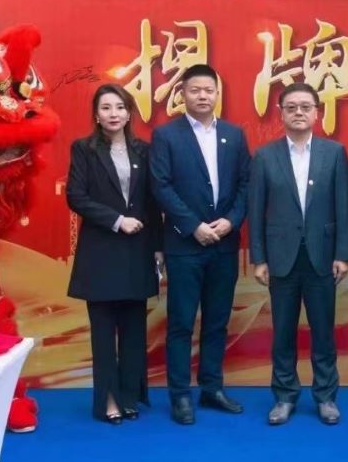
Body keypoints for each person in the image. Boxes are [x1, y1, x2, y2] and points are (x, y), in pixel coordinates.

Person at [150, 64, 251, 425]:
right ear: (183, 94)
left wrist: (231, 221)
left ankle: (212, 387)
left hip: (224, 244)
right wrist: (193, 226)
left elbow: (246, 184)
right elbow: (160, 186)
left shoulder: (234, 135)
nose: (203, 96)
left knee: (217, 321)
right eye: (195, 90)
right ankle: (180, 395)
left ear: (217, 94)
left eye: (209, 90)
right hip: (185, 245)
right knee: (180, 322)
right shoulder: (166, 135)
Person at [248, 82, 348, 426]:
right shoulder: (264, 156)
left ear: (316, 113)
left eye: (305, 107)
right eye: (291, 107)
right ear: (280, 113)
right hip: (281, 258)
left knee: (323, 333)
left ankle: (326, 397)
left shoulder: (334, 153)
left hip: (322, 256)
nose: (298, 113)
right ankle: (284, 396)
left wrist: (343, 253)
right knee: (283, 333)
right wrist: (259, 258)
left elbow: (343, 206)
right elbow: (255, 210)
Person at [67, 83, 161, 425]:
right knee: (104, 333)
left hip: (138, 252)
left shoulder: (144, 151)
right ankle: (107, 399)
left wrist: (158, 247)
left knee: (134, 331)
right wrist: (118, 221)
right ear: (96, 114)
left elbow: (152, 203)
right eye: (106, 108)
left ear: (129, 112)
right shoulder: (84, 149)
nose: (113, 114)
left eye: (120, 107)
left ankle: (128, 396)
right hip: (101, 253)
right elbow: (76, 197)